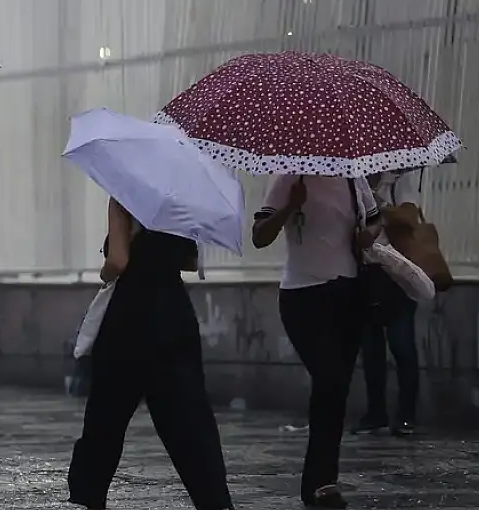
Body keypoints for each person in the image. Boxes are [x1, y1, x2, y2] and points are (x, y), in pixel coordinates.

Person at [67, 199, 233, 510]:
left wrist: (107, 270)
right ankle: (214, 500)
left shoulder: (124, 198)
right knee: (189, 418)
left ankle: (88, 496)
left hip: (129, 316)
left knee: (107, 416)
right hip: (174, 315)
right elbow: (190, 262)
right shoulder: (180, 200)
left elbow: (118, 262)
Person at [252, 174, 380, 509]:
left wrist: (369, 234)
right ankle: (322, 481)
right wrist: (289, 207)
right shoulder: (290, 178)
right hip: (303, 296)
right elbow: (259, 236)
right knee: (329, 380)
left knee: (336, 390)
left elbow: (375, 218)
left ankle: (322, 482)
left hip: (348, 293)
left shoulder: (354, 178)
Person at [352, 170, 421, 436]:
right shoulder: (353, 183)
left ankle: (407, 415)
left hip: (396, 275)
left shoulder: (398, 181)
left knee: (402, 347)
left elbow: (409, 217)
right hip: (365, 274)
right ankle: (375, 413)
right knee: (371, 351)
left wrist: (379, 206)